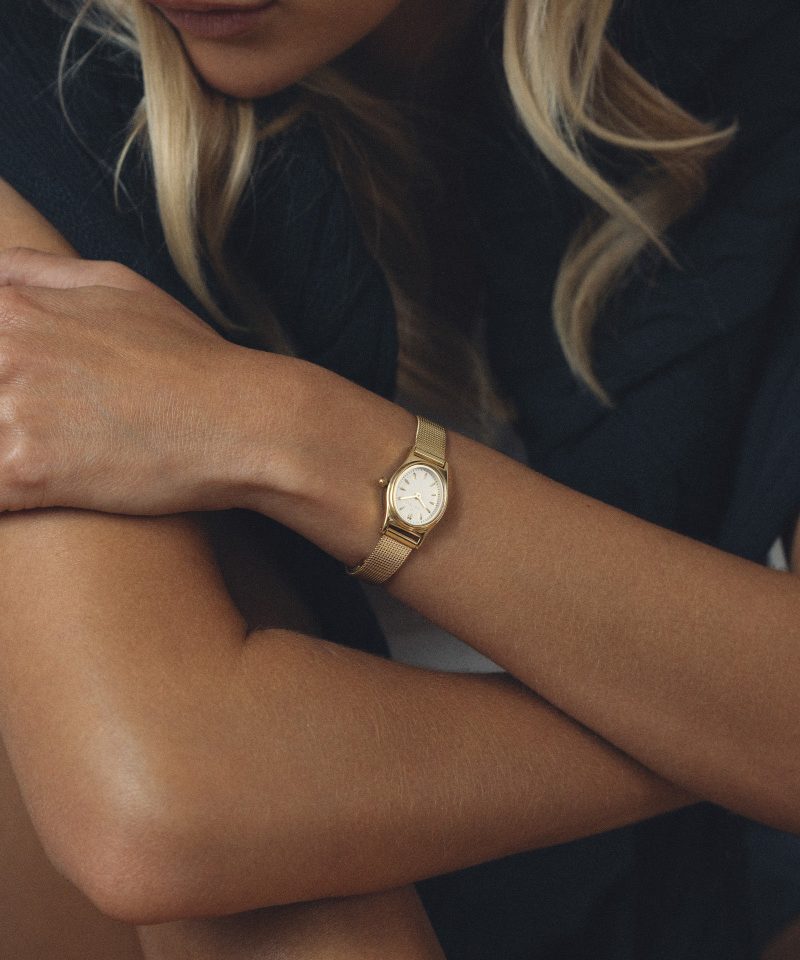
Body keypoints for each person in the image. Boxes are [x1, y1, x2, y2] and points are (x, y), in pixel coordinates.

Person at [0, 0, 799, 957]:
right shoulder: (37, 90)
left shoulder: (753, 65)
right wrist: (736, 723)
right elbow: (165, 813)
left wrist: (287, 432)